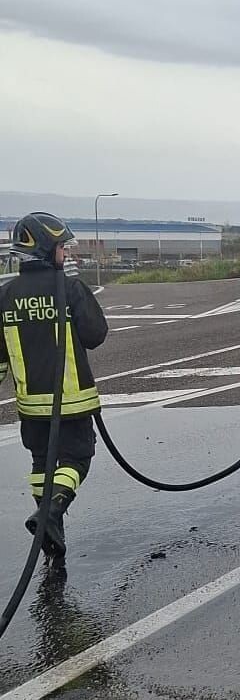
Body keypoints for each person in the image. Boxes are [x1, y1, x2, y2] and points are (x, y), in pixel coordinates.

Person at [0, 213, 109, 562]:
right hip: (71, 401)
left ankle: (52, 533)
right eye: (63, 246)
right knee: (77, 458)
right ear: (48, 248)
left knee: (41, 463)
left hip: (30, 405)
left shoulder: (5, 295)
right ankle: (51, 513)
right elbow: (96, 335)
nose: (67, 253)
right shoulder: (70, 288)